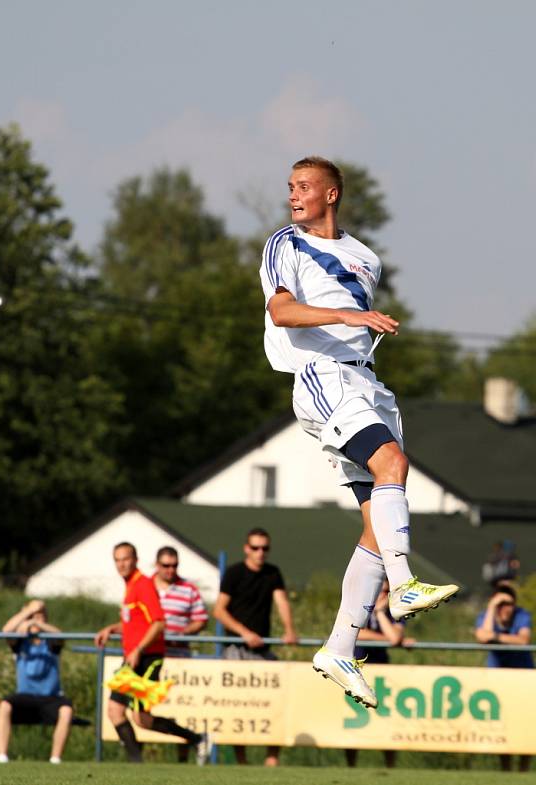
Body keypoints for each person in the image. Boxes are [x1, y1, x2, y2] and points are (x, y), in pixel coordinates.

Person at [260, 156, 458, 708]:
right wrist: (350, 319)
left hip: (366, 383)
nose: (293, 194)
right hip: (321, 377)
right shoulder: (285, 243)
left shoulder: (365, 257)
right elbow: (282, 312)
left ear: (331, 194)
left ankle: (341, 647)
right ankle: (403, 586)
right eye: (290, 187)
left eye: (303, 186)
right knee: (392, 464)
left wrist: (361, 325)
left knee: (377, 521)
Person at [95, 542, 210, 765]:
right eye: (117, 560)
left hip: (147, 657)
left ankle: (141, 761)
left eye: (126, 558)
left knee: (124, 713)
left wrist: (138, 649)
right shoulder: (131, 586)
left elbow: (158, 623)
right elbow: (136, 622)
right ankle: (195, 740)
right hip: (135, 656)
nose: (122, 564)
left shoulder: (143, 584)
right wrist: (111, 628)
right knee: (135, 717)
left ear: (136, 560)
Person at [212, 527, 298, 766]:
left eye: (265, 548)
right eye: (255, 548)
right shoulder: (234, 573)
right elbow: (219, 610)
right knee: (237, 704)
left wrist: (290, 630)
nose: (260, 553)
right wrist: (244, 633)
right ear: (246, 549)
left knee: (277, 700)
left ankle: (272, 758)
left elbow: (282, 602)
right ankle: (241, 760)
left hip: (261, 649)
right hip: (235, 648)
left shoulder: (273, 573)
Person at [345, 580, 415, 768]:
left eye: (387, 591)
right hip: (358, 669)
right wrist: (393, 639)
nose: (384, 594)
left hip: (383, 671)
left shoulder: (394, 612)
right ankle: (351, 766)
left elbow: (395, 637)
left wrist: (380, 613)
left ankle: (390, 766)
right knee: (355, 720)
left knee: (386, 720)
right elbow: (359, 633)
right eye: (381, 590)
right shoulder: (359, 606)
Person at [0, 599, 73, 764]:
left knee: (66, 710)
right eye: (32, 615)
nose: (35, 619)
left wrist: (35, 622)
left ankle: (55, 758)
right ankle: (2, 756)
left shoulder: (51, 641)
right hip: (25, 696)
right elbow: (6, 631)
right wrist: (27, 613)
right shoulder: (20, 641)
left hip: (50, 697)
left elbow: (60, 635)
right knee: (4, 706)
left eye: (40, 615)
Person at [152, 546, 208, 762]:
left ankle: (184, 758)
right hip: (152, 656)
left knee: (180, 709)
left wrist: (183, 632)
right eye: (166, 565)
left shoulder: (188, 589)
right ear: (157, 565)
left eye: (174, 565)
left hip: (179, 658)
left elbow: (201, 619)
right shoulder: (146, 587)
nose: (170, 570)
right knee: (147, 709)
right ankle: (139, 759)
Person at [474, 584, 533, 772]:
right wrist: (492, 607)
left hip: (523, 677)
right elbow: (482, 637)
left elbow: (523, 640)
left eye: (509, 603)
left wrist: (494, 636)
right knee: (503, 725)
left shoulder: (522, 615)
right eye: (501, 603)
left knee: (526, 726)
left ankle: (523, 770)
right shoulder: (486, 616)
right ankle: (505, 770)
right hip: (498, 678)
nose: (505, 608)